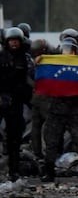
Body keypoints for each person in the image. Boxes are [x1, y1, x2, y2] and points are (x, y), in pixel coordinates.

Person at [40, 37, 78, 182]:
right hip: (56, 110)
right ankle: (48, 171)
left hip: (76, 111)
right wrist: (38, 62)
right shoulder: (53, 65)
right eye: (65, 49)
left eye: (70, 50)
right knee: (51, 142)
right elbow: (40, 77)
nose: (67, 52)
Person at [0, 27, 34, 181]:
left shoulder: (26, 59)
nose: (14, 43)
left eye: (16, 41)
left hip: (17, 102)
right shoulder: (1, 57)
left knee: (15, 137)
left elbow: (30, 80)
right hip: (2, 99)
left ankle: (14, 170)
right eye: (11, 41)